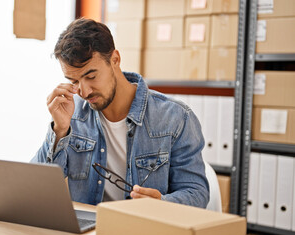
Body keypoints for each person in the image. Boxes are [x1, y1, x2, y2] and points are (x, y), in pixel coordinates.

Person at [31, 18, 209, 208]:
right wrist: (59, 131)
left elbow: (197, 194)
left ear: (115, 60)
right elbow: (34, 185)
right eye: (73, 81)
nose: (84, 91)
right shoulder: (71, 113)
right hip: (89, 233)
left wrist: (162, 203)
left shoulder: (176, 118)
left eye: (91, 76)